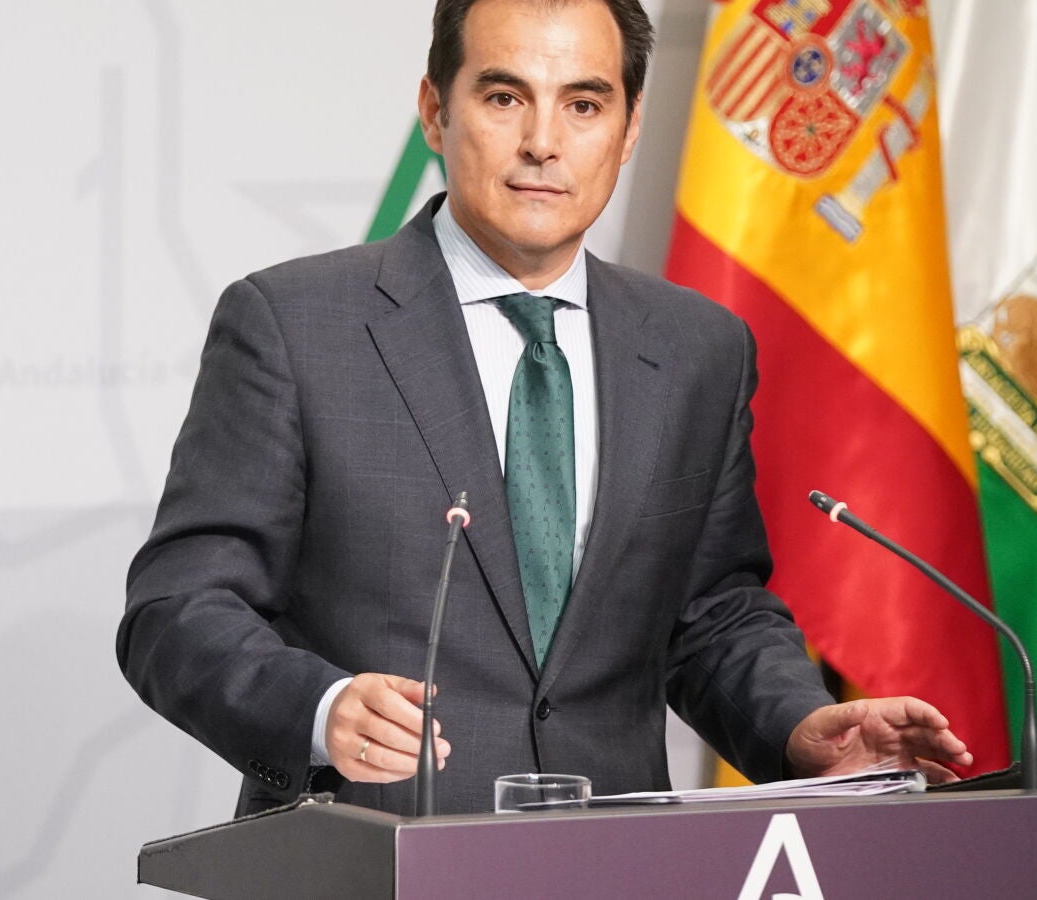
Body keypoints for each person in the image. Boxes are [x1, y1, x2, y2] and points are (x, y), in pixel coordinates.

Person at [117, 0, 972, 817]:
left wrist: (798, 724)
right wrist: (319, 708)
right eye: (503, 97)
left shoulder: (699, 349)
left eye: (584, 105)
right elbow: (176, 611)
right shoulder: (295, 326)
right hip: (368, 859)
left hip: (611, 863)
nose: (542, 143)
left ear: (629, 130)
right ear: (434, 111)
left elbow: (710, 614)